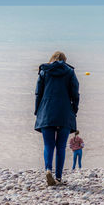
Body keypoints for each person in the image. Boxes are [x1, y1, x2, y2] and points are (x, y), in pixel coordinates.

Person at [34, 51, 79, 186]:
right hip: (64, 112)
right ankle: (58, 178)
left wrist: (38, 111)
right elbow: (75, 93)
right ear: (65, 60)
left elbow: (38, 93)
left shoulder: (44, 72)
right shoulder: (70, 72)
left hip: (46, 112)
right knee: (60, 146)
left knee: (48, 144)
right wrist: (74, 110)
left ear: (51, 59)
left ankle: (48, 170)